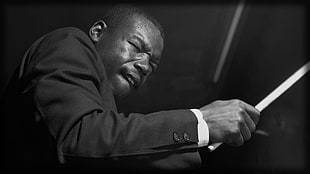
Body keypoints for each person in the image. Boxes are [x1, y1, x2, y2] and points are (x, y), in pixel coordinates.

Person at [2, 4, 260, 171]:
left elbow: (108, 149)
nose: (145, 65)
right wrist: (199, 122)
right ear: (97, 31)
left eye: (153, 65)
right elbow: (78, 137)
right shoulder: (70, 42)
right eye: (137, 47)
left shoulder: (104, 113)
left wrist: (201, 145)